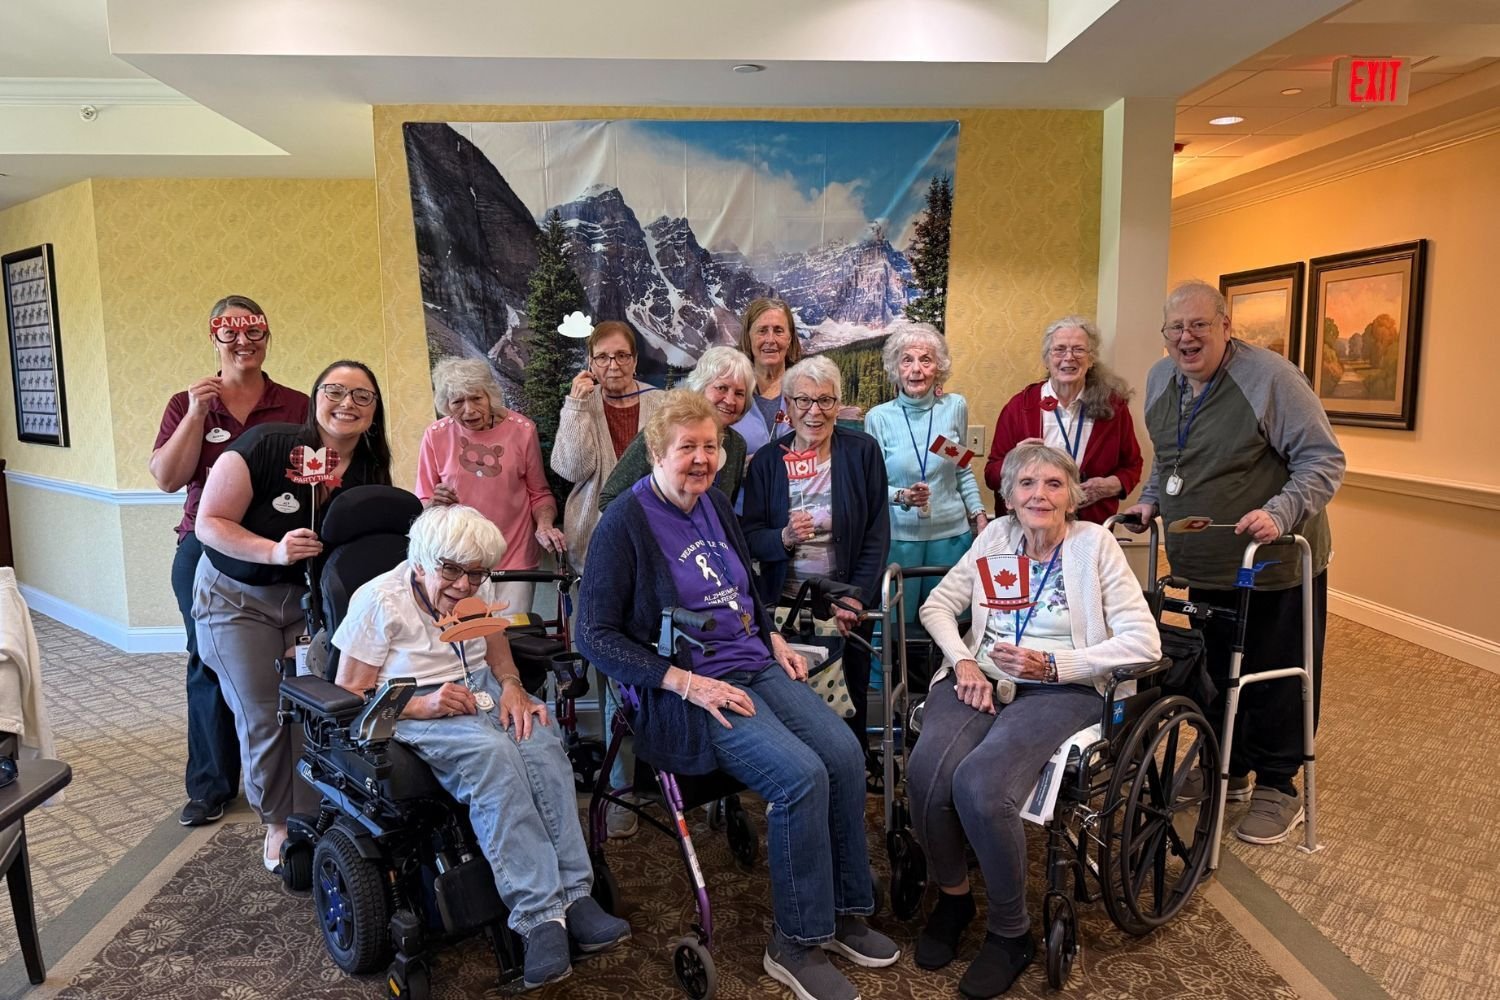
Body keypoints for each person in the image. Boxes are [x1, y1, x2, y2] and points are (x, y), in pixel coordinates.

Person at [576, 391, 898, 1000]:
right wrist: (684, 682)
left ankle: (845, 912)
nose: (702, 458)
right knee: (800, 776)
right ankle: (796, 943)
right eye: (687, 448)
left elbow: (740, 586)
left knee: (846, 755)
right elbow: (592, 635)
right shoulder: (624, 522)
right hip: (690, 690)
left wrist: (773, 635)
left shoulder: (716, 503)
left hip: (755, 662)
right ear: (655, 452)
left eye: (710, 446)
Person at [331, 504, 629, 990]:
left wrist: (514, 688)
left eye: (477, 573)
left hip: (482, 692)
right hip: (414, 707)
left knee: (541, 739)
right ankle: (539, 919)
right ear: (423, 561)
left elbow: (499, 658)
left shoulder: (476, 588)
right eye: (452, 571)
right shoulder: (379, 600)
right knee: (494, 758)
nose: (465, 586)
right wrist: (423, 706)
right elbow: (351, 691)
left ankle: (576, 896)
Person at [909, 442, 1160, 999]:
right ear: (1009, 494)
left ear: (1072, 495)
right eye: (1026, 484)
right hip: (981, 677)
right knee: (927, 773)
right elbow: (937, 607)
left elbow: (1144, 642)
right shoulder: (995, 538)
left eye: (1052, 485)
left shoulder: (1094, 546)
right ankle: (953, 898)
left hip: (1063, 687)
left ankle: (1009, 932)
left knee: (982, 785)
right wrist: (964, 660)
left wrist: (1055, 662)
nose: (1038, 495)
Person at [1123, 280, 1344, 845]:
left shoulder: (1270, 377)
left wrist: (1280, 511)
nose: (1186, 337)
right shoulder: (1158, 379)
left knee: (1271, 670)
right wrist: (1150, 501)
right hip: (1202, 562)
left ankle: (1278, 784)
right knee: (1217, 669)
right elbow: (1169, 458)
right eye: (1176, 327)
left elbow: (1322, 460)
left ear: (1227, 327)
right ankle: (1232, 766)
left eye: (1199, 325)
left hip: (1268, 560)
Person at [193, 360, 392, 873]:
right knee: (263, 714)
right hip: (236, 599)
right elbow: (209, 524)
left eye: (362, 396)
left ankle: (312, 813)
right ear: (314, 396)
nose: (346, 403)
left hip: (308, 607)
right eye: (335, 391)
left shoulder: (370, 467)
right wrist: (274, 551)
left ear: (374, 412)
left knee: (311, 711)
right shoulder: (266, 445)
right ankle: (279, 823)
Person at [150, 296, 308, 829]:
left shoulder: (295, 403)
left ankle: (301, 777)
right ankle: (211, 785)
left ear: (267, 336)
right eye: (230, 334)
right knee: (207, 662)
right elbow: (168, 478)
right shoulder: (187, 403)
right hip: (205, 544)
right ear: (214, 338)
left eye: (254, 333)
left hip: (281, 549)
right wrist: (197, 413)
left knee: (296, 663)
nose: (244, 343)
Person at [741, 356, 890, 747]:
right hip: (786, 608)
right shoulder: (769, 463)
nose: (814, 412)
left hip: (846, 609)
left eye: (825, 400)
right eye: (803, 401)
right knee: (789, 701)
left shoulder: (862, 452)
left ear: (838, 405)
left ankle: (850, 788)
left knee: (848, 699)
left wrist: (854, 600)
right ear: (787, 407)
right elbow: (751, 536)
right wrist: (785, 537)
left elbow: (877, 535)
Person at [415, 357, 565, 614]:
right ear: (446, 405)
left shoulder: (522, 430)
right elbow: (423, 498)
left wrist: (544, 524)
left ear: (490, 396)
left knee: (513, 638)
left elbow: (539, 493)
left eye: (476, 398)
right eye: (457, 402)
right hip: (457, 560)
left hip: (514, 555)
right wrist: (433, 505)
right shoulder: (436, 435)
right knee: (464, 640)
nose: (469, 410)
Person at [863, 325, 988, 623]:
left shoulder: (954, 407)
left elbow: (962, 469)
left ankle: (948, 673)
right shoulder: (879, 418)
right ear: (896, 368)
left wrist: (980, 514)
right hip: (899, 540)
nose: (916, 369)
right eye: (907, 360)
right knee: (894, 628)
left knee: (951, 623)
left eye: (926, 360)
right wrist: (903, 496)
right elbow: (873, 487)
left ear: (938, 368)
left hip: (952, 538)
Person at [984, 316, 1142, 524]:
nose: (1069, 357)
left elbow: (1132, 465)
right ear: (1047, 359)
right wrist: (1014, 460)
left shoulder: (1113, 407)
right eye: (1059, 349)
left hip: (1089, 526)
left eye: (1078, 349)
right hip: (1030, 528)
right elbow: (991, 475)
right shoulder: (1019, 407)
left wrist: (1113, 485)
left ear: (1091, 359)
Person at [551, 320, 664, 571]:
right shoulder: (581, 404)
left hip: (654, 534)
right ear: (590, 363)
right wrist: (575, 406)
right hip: (593, 536)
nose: (613, 365)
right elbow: (573, 470)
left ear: (634, 361)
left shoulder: (661, 403)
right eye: (602, 357)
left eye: (622, 355)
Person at [599, 345, 753, 511]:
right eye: (721, 388)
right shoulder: (663, 433)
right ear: (701, 387)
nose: (730, 400)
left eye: (739, 393)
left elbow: (724, 514)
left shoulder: (737, 446)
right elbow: (610, 499)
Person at [730, 297, 802, 459]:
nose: (770, 340)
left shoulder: (807, 390)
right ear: (748, 337)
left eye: (778, 331)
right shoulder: (729, 394)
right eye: (762, 331)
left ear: (789, 338)